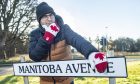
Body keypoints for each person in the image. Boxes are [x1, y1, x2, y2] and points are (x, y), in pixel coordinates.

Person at [29, 2, 108, 84]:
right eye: (45, 16)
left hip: (66, 81)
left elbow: (77, 40)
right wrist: (47, 38)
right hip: (45, 82)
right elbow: (34, 56)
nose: (49, 18)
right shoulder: (35, 34)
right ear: (39, 20)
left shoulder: (63, 29)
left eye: (51, 15)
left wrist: (92, 53)